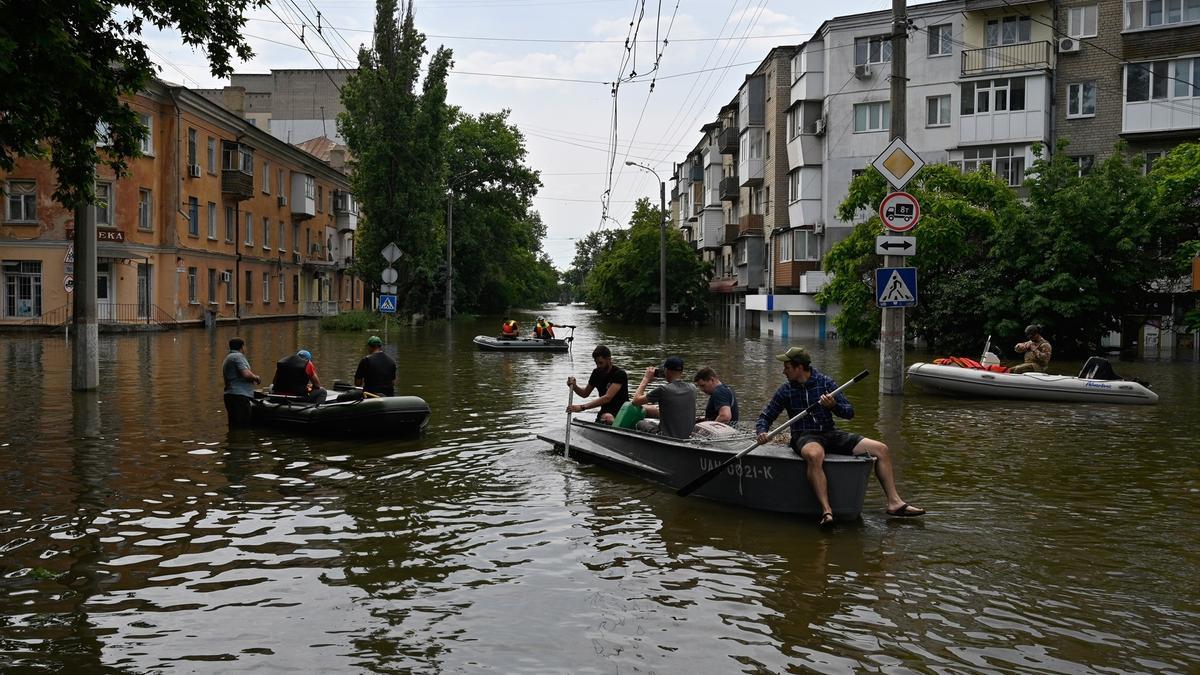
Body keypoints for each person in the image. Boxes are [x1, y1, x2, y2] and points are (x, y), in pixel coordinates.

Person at [756, 346, 925, 526]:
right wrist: (762, 432)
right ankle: (827, 511)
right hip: (804, 435)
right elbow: (766, 416)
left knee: (881, 449)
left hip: (830, 433)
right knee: (814, 455)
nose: (784, 371)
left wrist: (833, 406)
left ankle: (894, 502)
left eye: (787, 367)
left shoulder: (825, 383)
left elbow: (849, 412)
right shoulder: (785, 390)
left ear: (799, 367)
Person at [630, 356, 698, 439]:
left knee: (641, 423)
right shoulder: (693, 388)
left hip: (665, 437)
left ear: (666, 371)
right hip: (687, 437)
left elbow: (635, 401)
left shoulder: (663, 390)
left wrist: (646, 379)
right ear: (682, 371)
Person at [566, 345, 630, 424]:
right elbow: (585, 393)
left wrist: (582, 407)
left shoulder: (619, 373)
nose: (598, 366)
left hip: (622, 412)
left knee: (609, 418)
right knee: (608, 417)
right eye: (596, 363)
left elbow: (607, 397)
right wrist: (574, 386)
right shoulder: (596, 373)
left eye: (600, 363)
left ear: (609, 359)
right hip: (605, 412)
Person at [221, 337, 261, 427]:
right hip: (239, 396)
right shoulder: (238, 356)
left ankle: (234, 440)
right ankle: (242, 441)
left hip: (230, 395)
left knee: (234, 425)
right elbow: (246, 374)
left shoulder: (228, 357)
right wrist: (256, 378)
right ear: (242, 347)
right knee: (242, 425)